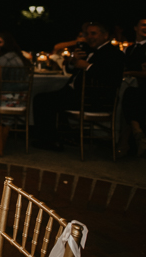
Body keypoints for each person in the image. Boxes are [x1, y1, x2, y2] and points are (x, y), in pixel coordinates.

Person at [32, 22, 125, 151]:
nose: (89, 37)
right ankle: (59, 136)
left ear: (105, 35)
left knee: (43, 100)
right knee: (43, 97)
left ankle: (49, 140)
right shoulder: (87, 50)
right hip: (75, 93)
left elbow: (109, 76)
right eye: (87, 34)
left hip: (93, 98)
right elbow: (72, 70)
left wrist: (87, 66)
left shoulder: (114, 54)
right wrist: (73, 61)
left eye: (94, 33)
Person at [117, 18, 146, 157]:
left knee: (129, 95)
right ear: (135, 28)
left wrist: (128, 73)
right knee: (126, 94)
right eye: (144, 25)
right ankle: (134, 135)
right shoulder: (129, 49)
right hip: (131, 86)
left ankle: (125, 141)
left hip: (142, 87)